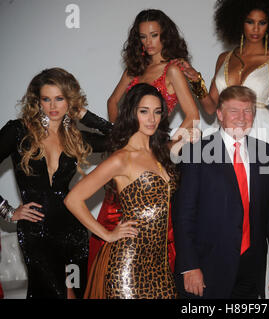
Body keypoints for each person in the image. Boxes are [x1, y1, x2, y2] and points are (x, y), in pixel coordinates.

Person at [88, 9, 200, 274]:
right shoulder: (135, 69)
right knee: (112, 220)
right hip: (128, 158)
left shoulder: (172, 69)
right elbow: (112, 103)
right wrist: (123, 135)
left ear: (165, 36)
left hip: (153, 160)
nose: (148, 42)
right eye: (142, 37)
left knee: (153, 229)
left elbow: (193, 117)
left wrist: (167, 149)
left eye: (154, 35)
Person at [0, 67, 112, 298]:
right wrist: (8, 211)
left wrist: (84, 115)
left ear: (70, 101)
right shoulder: (18, 131)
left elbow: (121, 138)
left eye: (60, 99)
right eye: (46, 99)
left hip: (73, 231)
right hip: (36, 231)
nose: (53, 106)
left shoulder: (75, 137)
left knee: (77, 293)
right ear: (37, 101)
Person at [65, 83, 178, 299]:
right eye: (144, 111)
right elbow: (73, 199)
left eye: (157, 112)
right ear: (131, 113)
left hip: (161, 264)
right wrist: (107, 234)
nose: (151, 119)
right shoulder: (121, 158)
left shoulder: (161, 153)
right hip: (127, 267)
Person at [173, 86, 269, 299]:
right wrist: (189, 266)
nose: (242, 117)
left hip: (251, 270)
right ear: (219, 114)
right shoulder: (194, 152)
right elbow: (183, 216)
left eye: (248, 111)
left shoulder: (267, 154)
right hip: (205, 270)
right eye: (234, 111)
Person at [179, 0, 269, 154]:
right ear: (239, 22)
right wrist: (196, 81)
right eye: (250, 22)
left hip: (260, 132)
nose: (256, 29)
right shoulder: (224, 58)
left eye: (262, 23)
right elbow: (210, 109)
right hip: (223, 131)